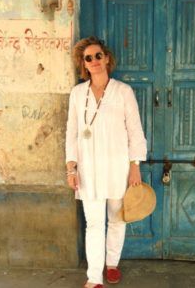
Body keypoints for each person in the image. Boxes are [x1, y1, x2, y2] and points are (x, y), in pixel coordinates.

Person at [65, 36, 147, 288]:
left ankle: (111, 264)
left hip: (117, 167)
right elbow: (72, 132)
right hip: (88, 169)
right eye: (88, 58)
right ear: (84, 64)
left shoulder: (123, 91)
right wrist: (71, 167)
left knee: (116, 218)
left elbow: (135, 130)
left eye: (98, 55)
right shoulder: (78, 94)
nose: (94, 61)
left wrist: (135, 166)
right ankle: (94, 277)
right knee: (93, 223)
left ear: (107, 58)